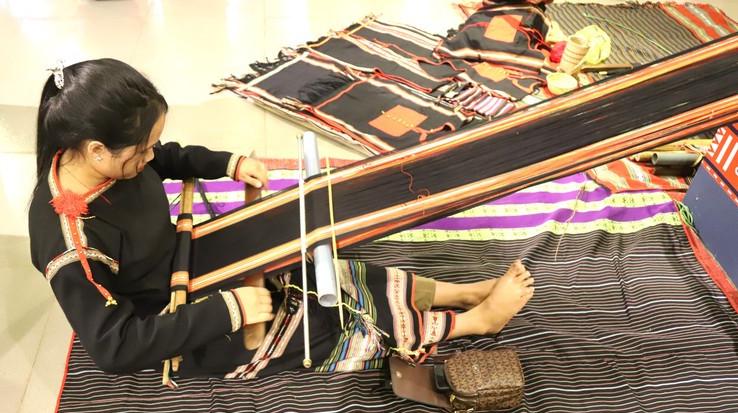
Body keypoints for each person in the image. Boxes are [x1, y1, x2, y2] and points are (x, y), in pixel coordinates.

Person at [29, 58, 534, 379]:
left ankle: (459, 293)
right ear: (97, 150)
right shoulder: (70, 241)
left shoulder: (107, 161)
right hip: (175, 316)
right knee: (324, 323)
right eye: (139, 151)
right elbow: (114, 346)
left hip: (199, 259)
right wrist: (227, 310)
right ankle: (470, 323)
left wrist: (227, 164)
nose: (149, 157)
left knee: (322, 269)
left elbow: (167, 157)